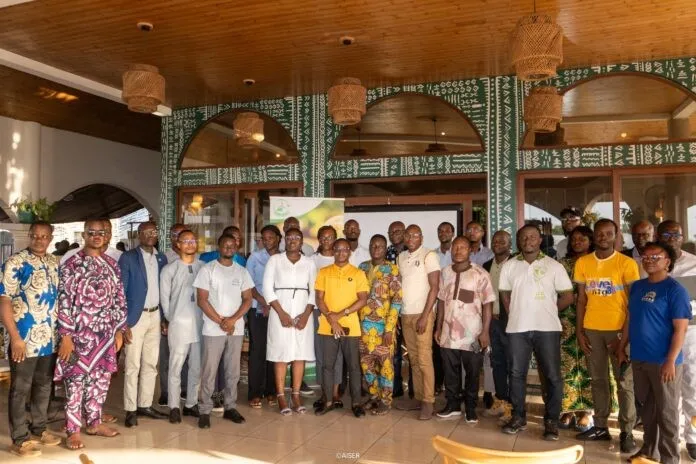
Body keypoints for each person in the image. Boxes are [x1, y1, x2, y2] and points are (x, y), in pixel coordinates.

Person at [54, 219, 127, 450]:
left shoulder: (112, 265)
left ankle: (94, 423)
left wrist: (119, 331)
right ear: (84, 235)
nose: (96, 236)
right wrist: (66, 336)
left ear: (107, 236)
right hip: (77, 337)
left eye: (101, 232)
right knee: (75, 382)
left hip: (104, 336)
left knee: (100, 381)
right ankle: (73, 430)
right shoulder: (72, 264)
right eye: (92, 232)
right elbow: (63, 301)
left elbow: (119, 299)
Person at [499, 224, 574, 441]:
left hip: (547, 328)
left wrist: (549, 310)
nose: (528, 240)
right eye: (523, 237)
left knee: (552, 376)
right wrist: (514, 313)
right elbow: (505, 296)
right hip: (517, 329)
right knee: (516, 374)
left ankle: (551, 421)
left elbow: (568, 296)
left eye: (532, 237)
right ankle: (518, 417)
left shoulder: (554, 266)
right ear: (518, 241)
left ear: (540, 240)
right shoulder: (509, 266)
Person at [622, 241, 691, 464]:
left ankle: (670, 458)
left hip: (664, 362)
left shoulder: (675, 290)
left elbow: (681, 329)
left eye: (655, 257)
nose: (649, 261)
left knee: (667, 413)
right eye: (646, 257)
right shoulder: (637, 287)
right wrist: (622, 345)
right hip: (640, 358)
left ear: (667, 262)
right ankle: (650, 452)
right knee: (647, 411)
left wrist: (670, 360)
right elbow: (630, 318)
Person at [574, 219, 639, 452]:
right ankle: (601, 426)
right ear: (594, 236)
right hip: (592, 330)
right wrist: (580, 331)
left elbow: (633, 304)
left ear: (616, 236)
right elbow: (581, 300)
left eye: (608, 233)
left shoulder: (627, 263)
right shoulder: (583, 262)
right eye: (599, 234)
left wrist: (624, 336)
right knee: (598, 380)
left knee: (624, 382)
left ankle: (627, 431)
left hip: (619, 331)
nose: (603, 237)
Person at [1, 222, 62, 457]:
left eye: (44, 236)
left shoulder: (54, 262)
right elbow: (4, 300)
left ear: (50, 238)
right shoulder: (15, 262)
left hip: (49, 337)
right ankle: (19, 439)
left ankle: (39, 428)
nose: (39, 240)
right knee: (20, 388)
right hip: (24, 338)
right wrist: (15, 337)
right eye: (35, 236)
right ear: (29, 236)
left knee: (44, 384)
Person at [194, 235, 254, 428]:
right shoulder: (207, 269)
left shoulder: (242, 271)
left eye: (232, 245)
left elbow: (248, 299)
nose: (229, 247)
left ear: (236, 247)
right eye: (225, 245)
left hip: (235, 329)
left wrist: (232, 320)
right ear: (218, 247)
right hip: (213, 329)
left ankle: (230, 407)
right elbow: (202, 300)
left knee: (232, 371)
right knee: (209, 371)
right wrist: (221, 321)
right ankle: (205, 410)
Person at [435, 236, 495, 423]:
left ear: (470, 250)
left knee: (472, 371)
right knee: (450, 371)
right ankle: (452, 405)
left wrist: (485, 332)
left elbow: (488, 304)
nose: (458, 250)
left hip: (472, 334)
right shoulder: (445, 272)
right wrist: (438, 327)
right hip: (448, 332)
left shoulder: (480, 274)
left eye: (462, 247)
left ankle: (470, 407)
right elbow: (441, 301)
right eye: (455, 247)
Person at [119, 222, 168, 427]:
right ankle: (130, 409)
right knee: (132, 365)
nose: (150, 235)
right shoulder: (128, 257)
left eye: (153, 232)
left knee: (150, 363)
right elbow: (120, 291)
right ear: (139, 235)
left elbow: (164, 289)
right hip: (135, 318)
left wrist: (164, 317)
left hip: (155, 316)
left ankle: (145, 405)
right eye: (146, 232)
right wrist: (123, 323)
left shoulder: (161, 258)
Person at [263, 227, 317, 415]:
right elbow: (267, 289)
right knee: (280, 353)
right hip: (280, 311)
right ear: (284, 240)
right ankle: (280, 396)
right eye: (290, 237)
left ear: (302, 242)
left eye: (297, 237)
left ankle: (295, 395)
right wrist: (281, 314)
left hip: (303, 312)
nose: (293, 240)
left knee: (299, 353)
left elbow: (315, 291)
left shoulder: (309, 263)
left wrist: (306, 315)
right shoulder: (275, 260)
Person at [314, 238, 369, 417]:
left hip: (351, 326)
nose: (341, 253)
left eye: (345, 249)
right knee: (327, 366)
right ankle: (328, 401)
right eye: (337, 249)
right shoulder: (324, 272)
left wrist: (340, 315)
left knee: (353, 367)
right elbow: (319, 299)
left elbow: (363, 299)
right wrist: (332, 319)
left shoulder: (358, 273)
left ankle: (356, 403)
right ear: (333, 251)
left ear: (349, 252)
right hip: (327, 325)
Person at [656, 219, 696, 460]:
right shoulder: (651, 264)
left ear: (682, 237)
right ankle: (673, 437)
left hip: (691, 335)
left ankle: (693, 437)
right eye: (666, 235)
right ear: (658, 237)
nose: (671, 239)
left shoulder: (694, 264)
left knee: (692, 386)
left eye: (676, 234)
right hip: (661, 335)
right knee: (668, 390)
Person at [395, 225, 440, 420]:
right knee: (413, 359)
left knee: (424, 358)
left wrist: (424, 315)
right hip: (406, 314)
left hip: (423, 315)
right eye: (408, 235)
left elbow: (435, 287)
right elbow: (399, 287)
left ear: (421, 238)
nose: (411, 238)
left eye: (415, 235)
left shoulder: (429, 255)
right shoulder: (401, 257)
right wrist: (397, 314)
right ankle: (419, 397)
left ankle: (429, 401)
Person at [160, 229, 203, 423]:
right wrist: (170, 320)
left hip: (200, 324)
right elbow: (165, 300)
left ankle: (191, 404)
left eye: (193, 241)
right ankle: (174, 406)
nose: (190, 244)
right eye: (185, 241)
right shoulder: (170, 269)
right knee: (176, 366)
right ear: (178, 244)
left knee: (196, 367)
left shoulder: (203, 267)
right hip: (179, 324)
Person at [358, 234, 403, 415]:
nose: (376, 249)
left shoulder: (392, 270)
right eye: (373, 245)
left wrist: (390, 329)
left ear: (386, 249)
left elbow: (397, 300)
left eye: (380, 246)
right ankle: (374, 396)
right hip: (363, 327)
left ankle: (385, 400)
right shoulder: (362, 267)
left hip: (383, 327)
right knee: (366, 365)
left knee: (385, 366)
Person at [557, 226, 595, 431]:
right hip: (566, 321)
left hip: (592, 320)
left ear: (591, 241)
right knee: (567, 365)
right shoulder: (562, 264)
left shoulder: (596, 262)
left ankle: (587, 412)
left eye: (582, 238)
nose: (577, 242)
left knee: (590, 365)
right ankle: (568, 409)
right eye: (574, 239)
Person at [245, 225, 282, 409]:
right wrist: (263, 302)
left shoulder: (284, 258)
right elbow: (248, 284)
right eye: (264, 238)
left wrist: (273, 305)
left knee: (274, 350)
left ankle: (271, 391)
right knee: (257, 351)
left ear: (278, 238)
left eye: (270, 237)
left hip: (278, 311)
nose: (267, 241)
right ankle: (254, 393)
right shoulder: (255, 257)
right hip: (258, 309)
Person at [482, 230, 513, 423]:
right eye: (494, 241)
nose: (497, 244)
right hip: (492, 321)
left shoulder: (516, 264)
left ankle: (513, 407)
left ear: (510, 244)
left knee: (513, 365)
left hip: (511, 322)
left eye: (502, 241)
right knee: (497, 363)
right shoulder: (486, 266)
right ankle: (500, 400)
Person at [312, 225, 344, 409]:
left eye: (330, 237)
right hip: (319, 312)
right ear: (318, 239)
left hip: (339, 314)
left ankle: (335, 393)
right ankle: (324, 393)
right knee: (321, 353)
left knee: (337, 354)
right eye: (323, 237)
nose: (327, 240)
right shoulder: (312, 260)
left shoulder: (340, 257)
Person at [159, 222, 188, 406]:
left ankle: (184, 387)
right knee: (166, 355)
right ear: (170, 238)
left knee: (186, 355)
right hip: (168, 314)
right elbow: (161, 291)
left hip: (187, 316)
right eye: (174, 234)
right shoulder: (163, 258)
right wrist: (164, 317)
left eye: (181, 234)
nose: (178, 238)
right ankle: (165, 391)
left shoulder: (195, 259)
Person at [385, 220, 408, 399]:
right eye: (392, 232)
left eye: (398, 231)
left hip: (412, 308)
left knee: (415, 353)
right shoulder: (386, 253)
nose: (395, 234)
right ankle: (396, 387)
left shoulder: (413, 252)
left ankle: (416, 389)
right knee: (394, 352)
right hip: (392, 309)